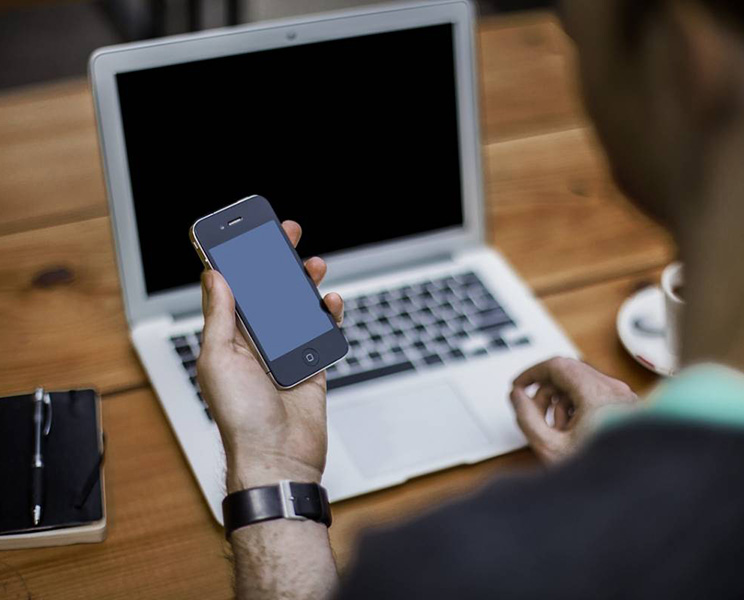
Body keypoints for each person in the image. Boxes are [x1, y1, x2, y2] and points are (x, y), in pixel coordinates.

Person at [196, 0, 744, 597]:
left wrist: (273, 466)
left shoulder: (453, 571)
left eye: (576, 35)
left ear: (686, 60)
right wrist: (640, 463)